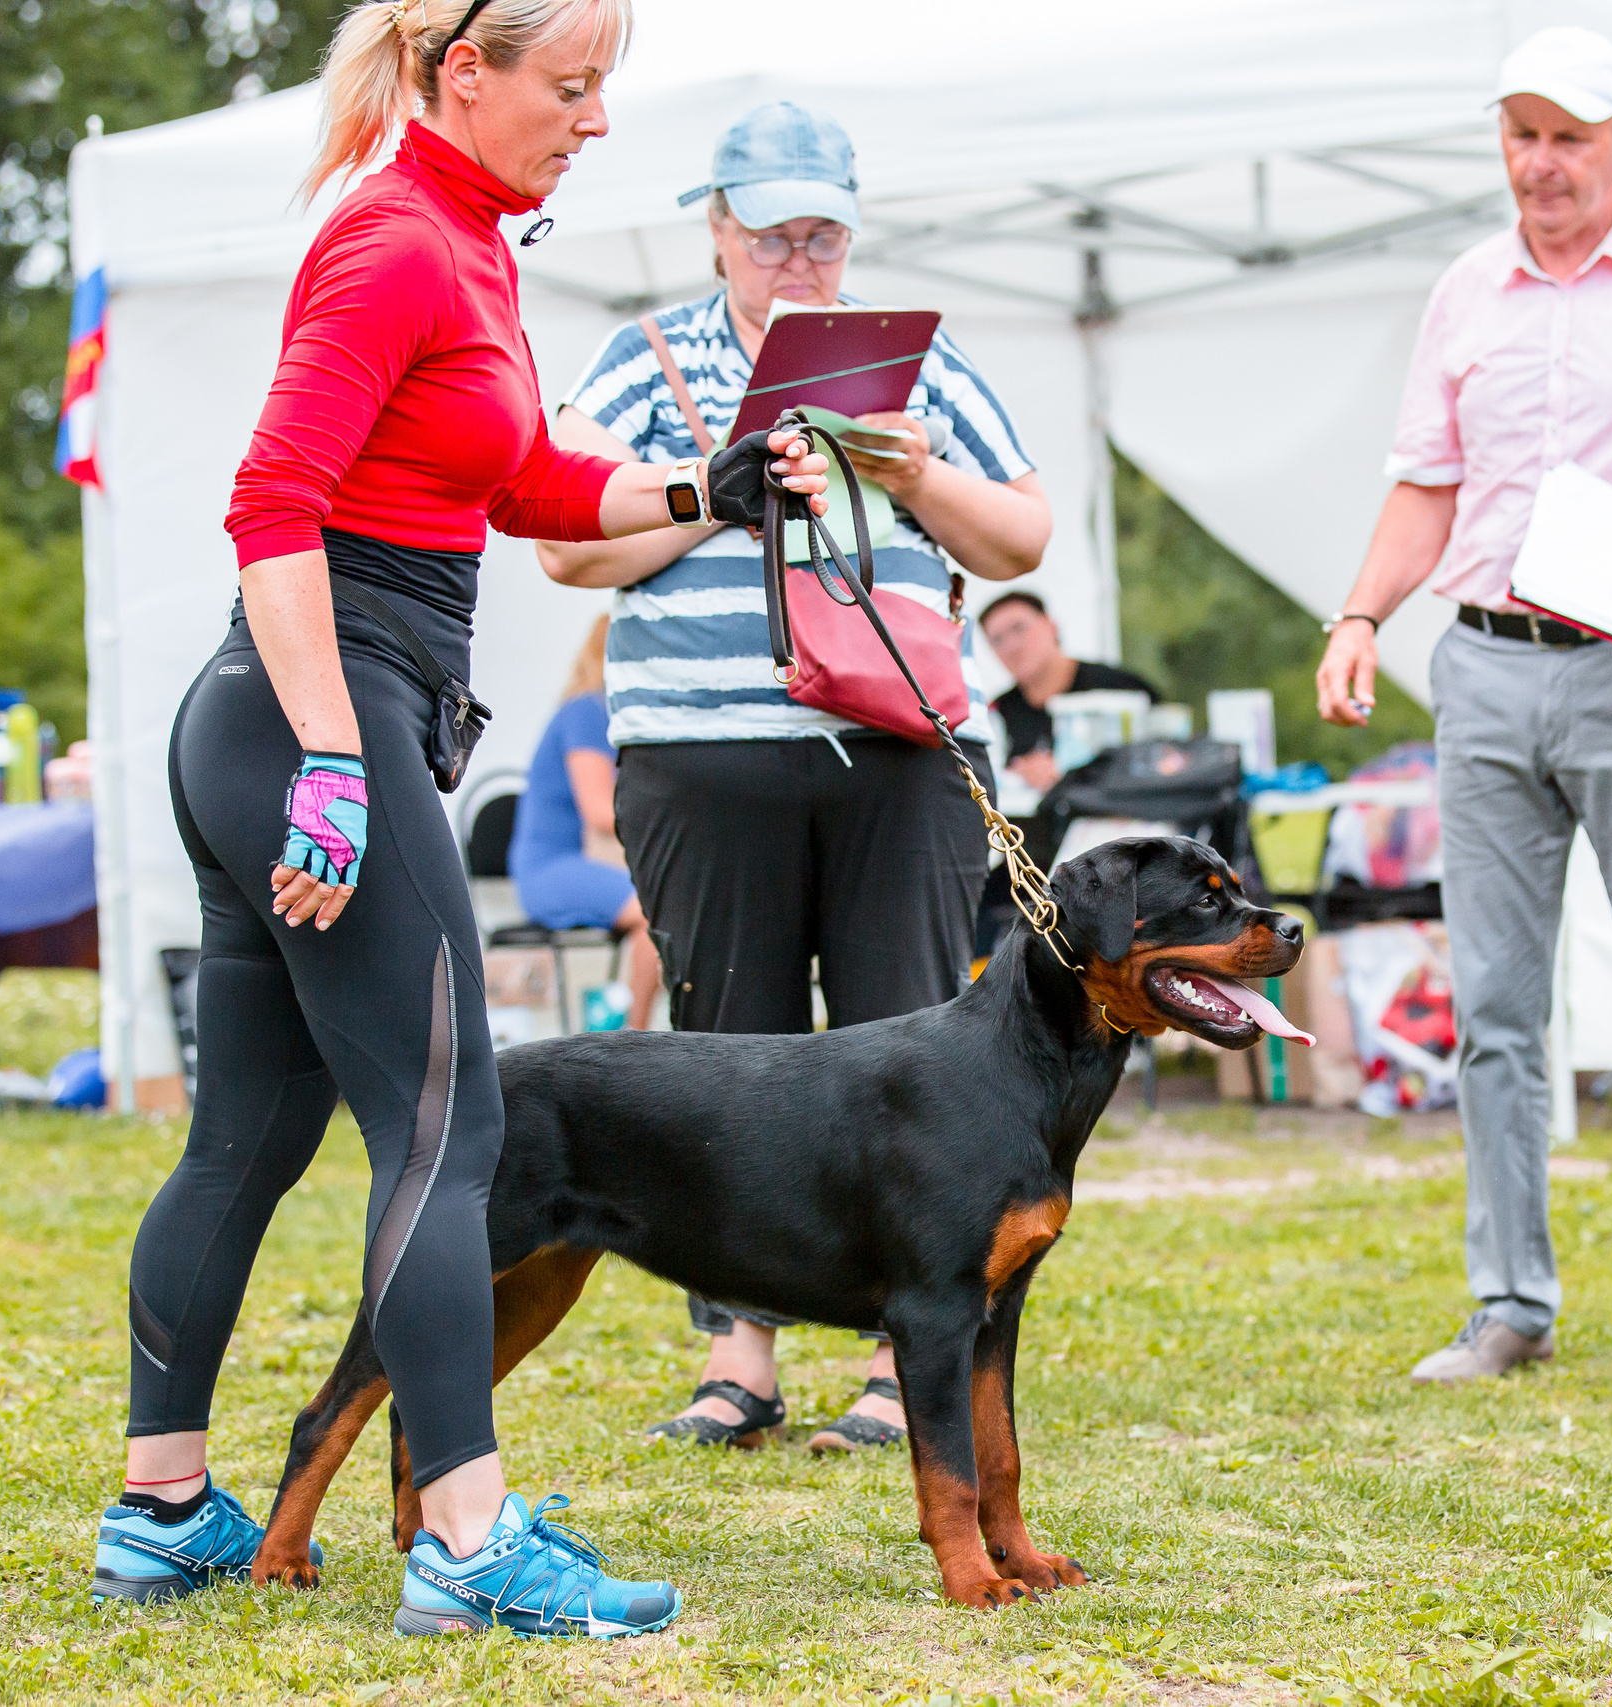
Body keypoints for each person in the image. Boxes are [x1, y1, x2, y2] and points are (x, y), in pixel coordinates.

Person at [98, 0, 831, 1639]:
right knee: (451, 1132)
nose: (593, 121)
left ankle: (162, 1508)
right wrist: (338, 761)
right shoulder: (396, 242)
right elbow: (273, 503)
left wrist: (707, 487)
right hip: (309, 714)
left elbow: (519, 488)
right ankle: (470, 1539)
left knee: (256, 1136)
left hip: (270, 727)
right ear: (464, 71)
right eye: (569, 89)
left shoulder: (470, 246)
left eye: (602, 91)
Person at [538, 101, 1050, 1454]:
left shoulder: (911, 359)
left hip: (899, 755)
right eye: (771, 235)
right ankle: (742, 1355)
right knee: (726, 1054)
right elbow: (558, 544)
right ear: (715, 227)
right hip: (703, 760)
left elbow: (1021, 536)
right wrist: (709, 494)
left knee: (917, 1038)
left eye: (821, 233)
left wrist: (921, 472)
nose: (798, 261)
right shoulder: (640, 361)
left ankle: (904, 1355)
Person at [1313, 28, 1612, 1399]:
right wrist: (1359, 616)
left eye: (1570, 137)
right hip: (1483, 666)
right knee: (1493, 1010)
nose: (1542, 162)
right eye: (1523, 133)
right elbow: (1426, 482)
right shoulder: (1467, 290)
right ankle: (1509, 1303)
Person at [510, 615, 662, 1029]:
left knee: (668, 904)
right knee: (658, 911)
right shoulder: (588, 709)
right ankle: (635, 1043)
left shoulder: (598, 712)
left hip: (577, 865)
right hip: (551, 870)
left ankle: (635, 1038)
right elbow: (599, 811)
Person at [979, 591, 1158, 793]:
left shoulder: (1121, 688)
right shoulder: (994, 715)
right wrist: (1016, 774)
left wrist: (1069, 771)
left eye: (1019, 628)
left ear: (1051, 625)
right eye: (997, 640)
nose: (1011, 646)